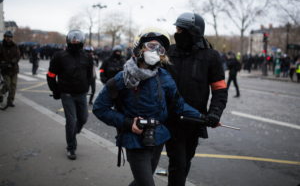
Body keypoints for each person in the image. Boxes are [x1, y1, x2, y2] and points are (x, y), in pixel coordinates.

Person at [93, 27, 211, 186]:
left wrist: (203, 117)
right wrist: (128, 123)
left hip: (158, 137)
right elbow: (99, 108)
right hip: (134, 140)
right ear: (139, 47)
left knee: (141, 182)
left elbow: (179, 105)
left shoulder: (164, 76)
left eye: (160, 49)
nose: (155, 51)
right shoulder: (122, 79)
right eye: (151, 46)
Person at [163, 12, 228, 186]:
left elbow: (220, 90)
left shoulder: (212, 56)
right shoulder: (168, 52)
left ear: (193, 32)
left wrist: (215, 112)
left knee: (186, 161)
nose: (176, 33)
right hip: (171, 119)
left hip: (195, 120)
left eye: (179, 29)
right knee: (177, 163)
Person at [47, 30, 93, 160]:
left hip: (81, 94)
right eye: (73, 40)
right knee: (71, 121)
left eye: (77, 40)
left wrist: (86, 86)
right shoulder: (59, 56)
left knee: (83, 118)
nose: (75, 42)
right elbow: (51, 75)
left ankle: (73, 133)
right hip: (66, 93)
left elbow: (90, 75)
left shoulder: (87, 57)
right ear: (68, 41)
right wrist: (56, 91)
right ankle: (71, 147)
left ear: (82, 42)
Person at [0, 31, 21, 107]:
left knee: (13, 85)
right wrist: (2, 63)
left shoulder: (15, 46)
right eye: (6, 36)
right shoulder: (1, 45)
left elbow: (18, 56)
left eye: (9, 37)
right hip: (5, 68)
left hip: (14, 68)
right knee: (7, 83)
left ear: (11, 38)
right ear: (4, 37)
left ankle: (10, 100)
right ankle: (1, 93)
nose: (8, 38)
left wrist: (13, 61)